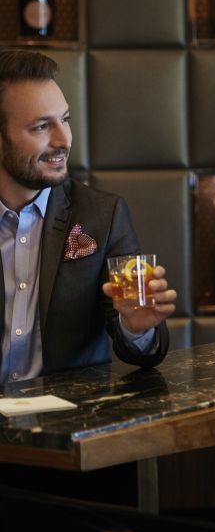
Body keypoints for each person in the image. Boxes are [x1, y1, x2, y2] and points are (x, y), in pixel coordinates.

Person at [0, 49, 176, 383]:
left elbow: (144, 354)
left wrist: (135, 328)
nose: (64, 139)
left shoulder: (102, 215)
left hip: (67, 411)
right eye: (41, 126)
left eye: (65, 119)